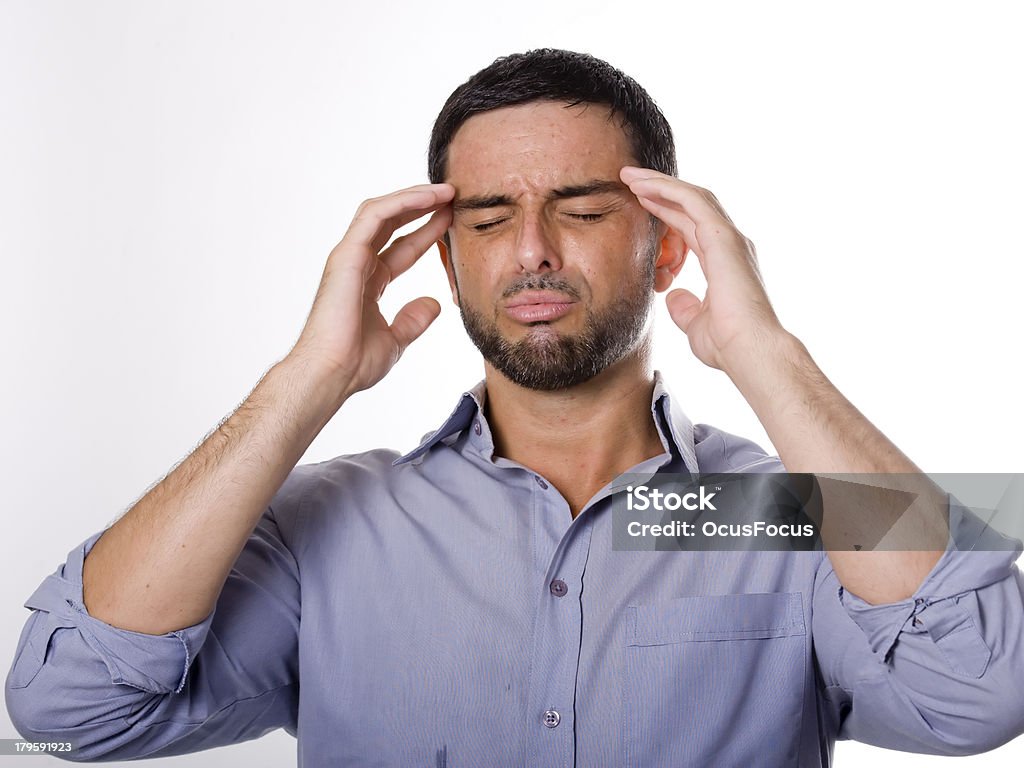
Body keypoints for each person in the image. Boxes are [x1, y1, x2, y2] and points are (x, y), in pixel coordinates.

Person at [6, 48, 1024, 767]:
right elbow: (64, 710)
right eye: (488, 218)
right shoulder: (330, 523)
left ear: (666, 243)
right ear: (446, 259)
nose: (532, 250)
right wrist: (304, 380)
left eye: (580, 210)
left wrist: (764, 355)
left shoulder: (785, 508)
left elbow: (985, 694)